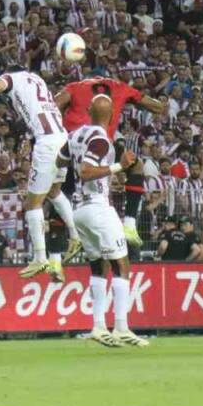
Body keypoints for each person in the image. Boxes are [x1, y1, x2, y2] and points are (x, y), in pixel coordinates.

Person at [0, 67, 78, 281]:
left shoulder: (13, 78)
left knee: (32, 203)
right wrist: (28, 139)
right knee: (55, 190)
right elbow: (39, 111)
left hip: (47, 143)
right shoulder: (37, 79)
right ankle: (76, 235)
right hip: (62, 138)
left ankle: (40, 257)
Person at [58, 94, 147, 348]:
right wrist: (119, 167)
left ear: (88, 109)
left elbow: (60, 161)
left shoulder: (75, 135)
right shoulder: (101, 140)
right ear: (112, 116)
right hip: (97, 207)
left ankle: (98, 326)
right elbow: (85, 172)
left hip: (79, 210)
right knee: (121, 263)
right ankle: (121, 327)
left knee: (99, 266)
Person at [56, 74, 165, 246]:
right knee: (137, 167)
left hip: (74, 143)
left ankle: (63, 246)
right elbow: (158, 108)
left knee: (60, 190)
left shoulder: (74, 86)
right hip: (103, 144)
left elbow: (54, 106)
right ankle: (129, 224)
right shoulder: (120, 87)